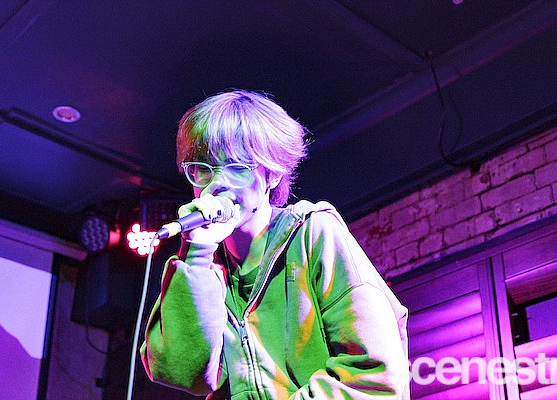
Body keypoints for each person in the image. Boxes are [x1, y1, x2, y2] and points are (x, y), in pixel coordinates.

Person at [140, 90, 410, 399]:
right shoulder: (203, 268)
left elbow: (374, 376)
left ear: (271, 174)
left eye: (237, 167)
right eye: (203, 168)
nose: (217, 183)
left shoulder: (312, 232)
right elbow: (181, 373)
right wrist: (196, 255)